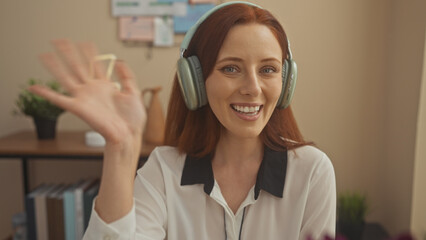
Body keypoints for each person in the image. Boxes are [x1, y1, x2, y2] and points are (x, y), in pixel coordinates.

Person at [30, 2, 336, 239]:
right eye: (231, 68)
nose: (253, 88)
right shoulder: (163, 171)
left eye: (268, 70)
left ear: (286, 82)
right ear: (195, 80)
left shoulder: (311, 171)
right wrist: (121, 150)